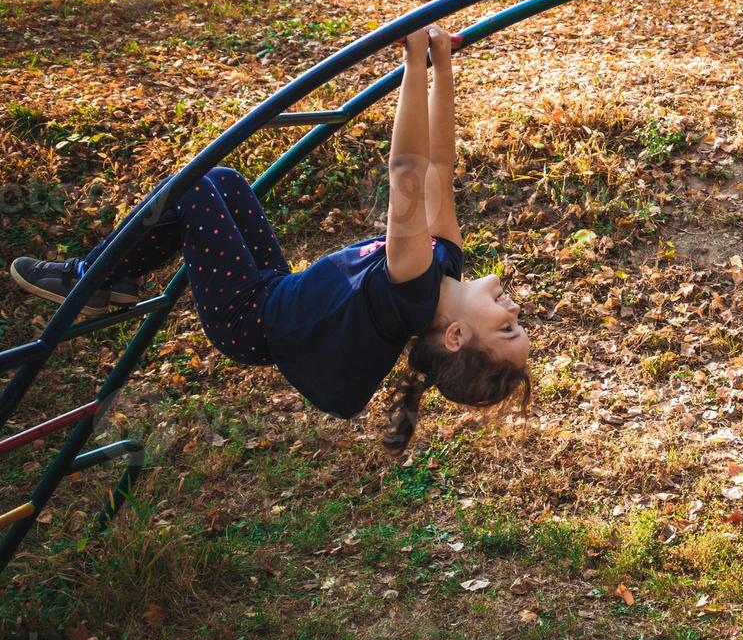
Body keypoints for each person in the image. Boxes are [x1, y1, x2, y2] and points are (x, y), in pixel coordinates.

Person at [9, 26, 529, 452]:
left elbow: (407, 172)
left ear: (456, 336)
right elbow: (439, 164)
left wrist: (414, 67)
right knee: (224, 181)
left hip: (247, 317)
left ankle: (89, 276)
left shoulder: (411, 284)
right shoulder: (445, 263)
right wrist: (442, 68)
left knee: (193, 190)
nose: (513, 310)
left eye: (506, 328)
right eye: (517, 324)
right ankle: (114, 277)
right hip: (271, 289)